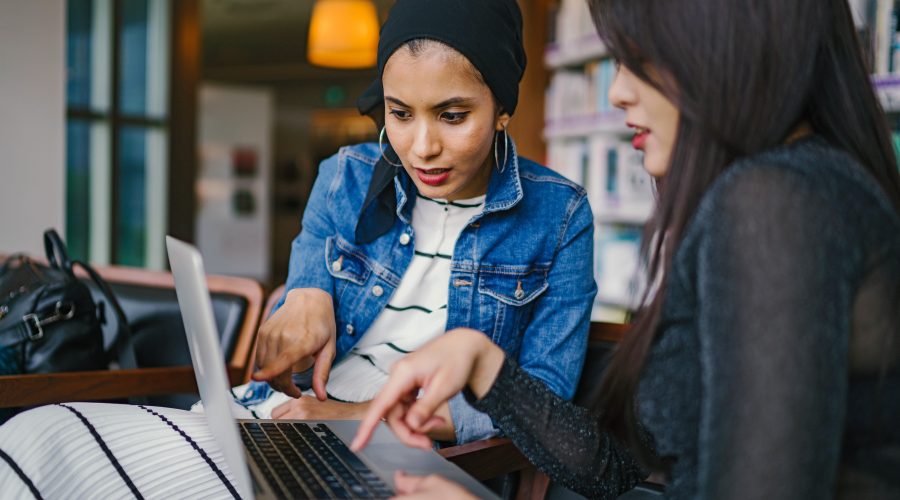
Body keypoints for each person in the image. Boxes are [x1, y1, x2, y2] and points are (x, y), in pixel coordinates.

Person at [0, 1, 597, 497]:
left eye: (452, 115)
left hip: (402, 458)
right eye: (398, 113)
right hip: (274, 418)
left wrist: (364, 418)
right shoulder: (347, 173)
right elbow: (304, 292)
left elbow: (537, 408)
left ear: (503, 110)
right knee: (36, 437)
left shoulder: (559, 215)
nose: (421, 147)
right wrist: (302, 293)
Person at [353, 0, 900, 499]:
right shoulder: (798, 188)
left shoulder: (775, 203)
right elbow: (620, 471)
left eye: (639, 58)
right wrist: (486, 365)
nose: (617, 92)